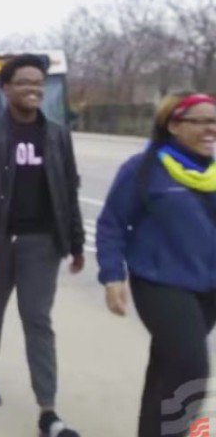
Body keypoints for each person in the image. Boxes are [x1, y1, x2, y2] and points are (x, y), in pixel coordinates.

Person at [0, 53, 85, 437]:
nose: (33, 89)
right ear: (6, 88)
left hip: (42, 244)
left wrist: (76, 242)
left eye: (38, 83)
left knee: (38, 321)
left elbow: (67, 190)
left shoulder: (58, 134)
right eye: (24, 82)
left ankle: (48, 411)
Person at [95, 92, 216, 437]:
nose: (211, 129)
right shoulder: (145, 168)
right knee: (191, 370)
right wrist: (112, 276)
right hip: (160, 282)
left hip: (207, 287)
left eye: (215, 121)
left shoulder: (213, 171)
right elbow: (112, 223)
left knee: (166, 367)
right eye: (202, 121)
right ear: (175, 125)